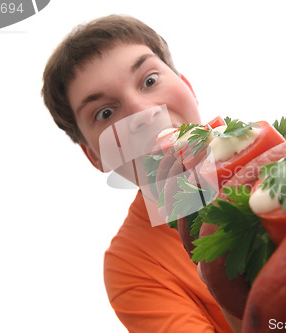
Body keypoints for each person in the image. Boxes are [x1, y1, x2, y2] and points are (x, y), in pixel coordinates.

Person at [42, 14, 240, 332]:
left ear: (187, 86)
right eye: (105, 113)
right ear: (95, 156)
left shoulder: (276, 148)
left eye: (149, 81)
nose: (142, 113)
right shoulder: (132, 263)